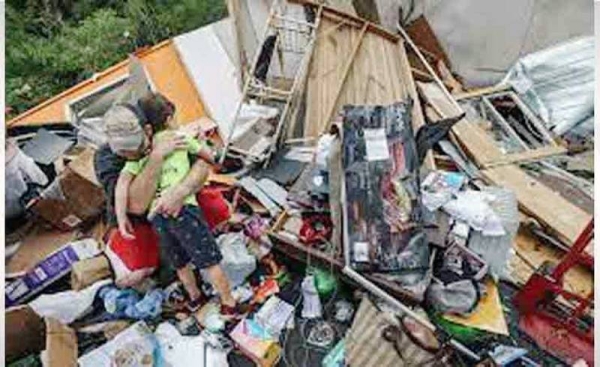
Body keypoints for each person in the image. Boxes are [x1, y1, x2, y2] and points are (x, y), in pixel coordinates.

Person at [94, 92, 240, 316]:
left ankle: (195, 296)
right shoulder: (109, 157)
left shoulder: (167, 136)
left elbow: (202, 165)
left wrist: (181, 191)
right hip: (143, 220)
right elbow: (135, 205)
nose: (132, 155)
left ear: (148, 131)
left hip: (173, 206)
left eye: (136, 148)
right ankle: (228, 302)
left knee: (219, 213)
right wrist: (156, 158)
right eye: (126, 153)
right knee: (141, 272)